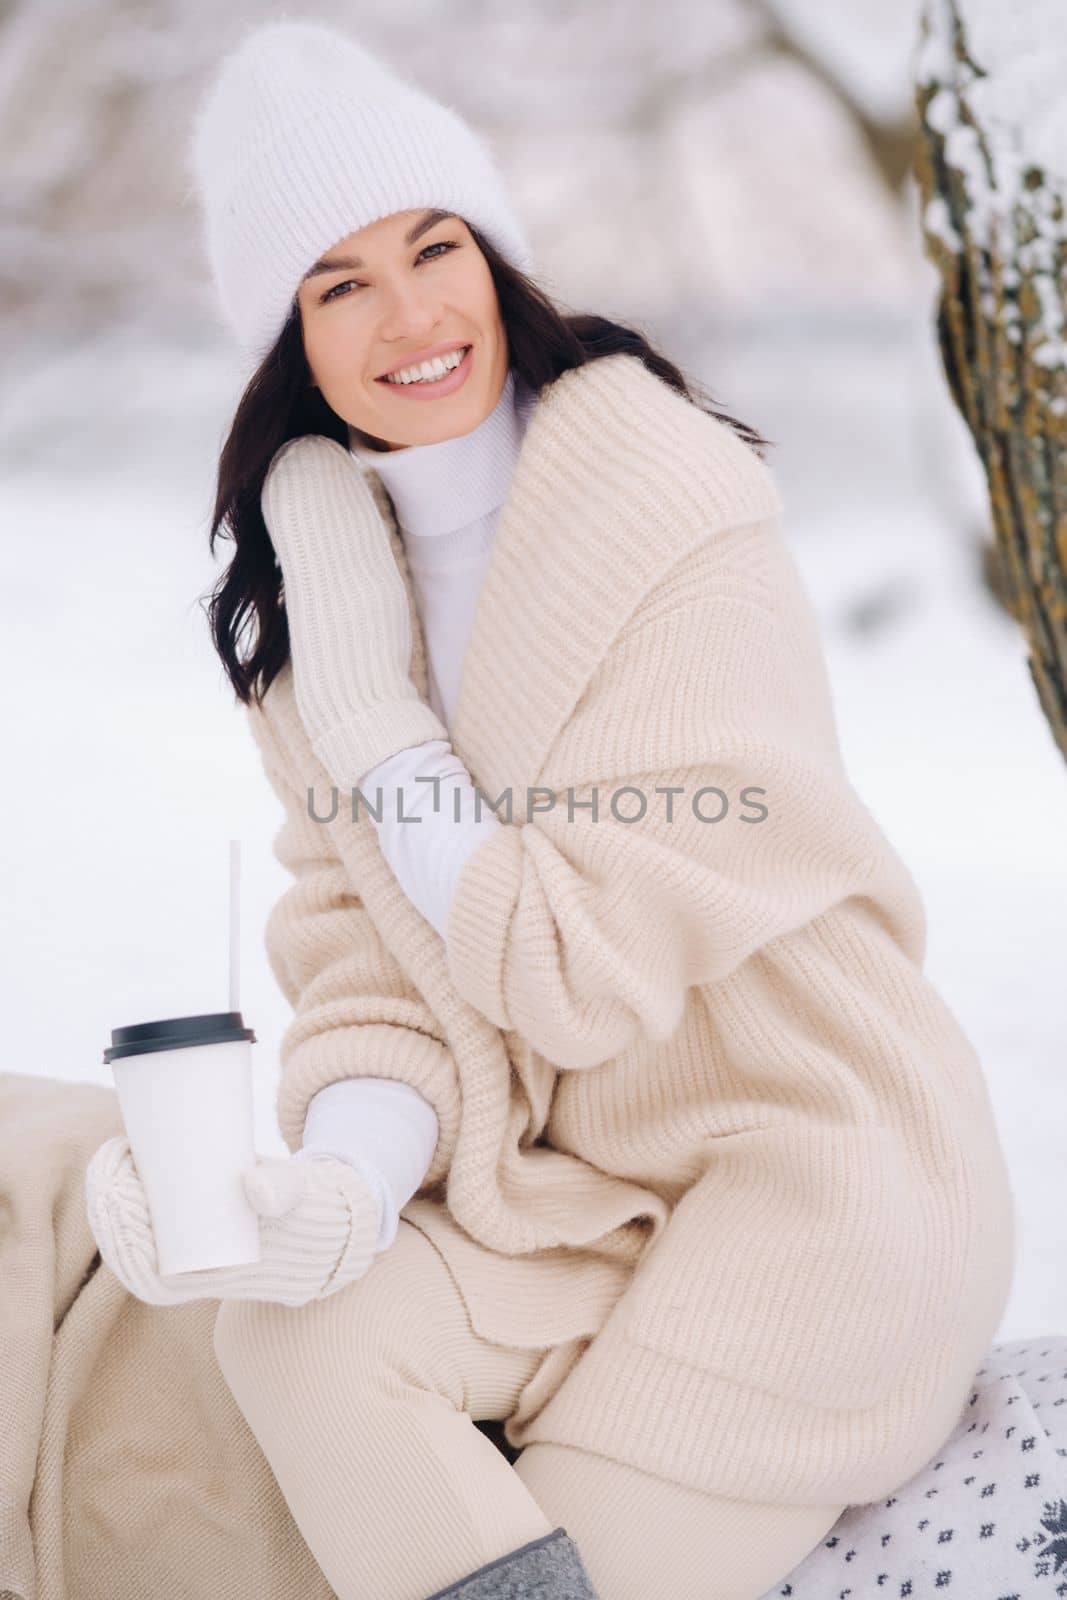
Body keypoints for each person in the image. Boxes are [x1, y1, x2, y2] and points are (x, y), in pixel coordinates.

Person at [84, 19, 1018, 1600]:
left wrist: (386, 727)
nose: (410, 313)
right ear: (286, 345)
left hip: (809, 1174)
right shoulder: (331, 611)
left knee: (585, 1557)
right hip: (572, 1202)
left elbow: (569, 970)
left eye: (433, 247)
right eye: (339, 283)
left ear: (495, 259)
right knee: (293, 1336)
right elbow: (383, 984)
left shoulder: (668, 512)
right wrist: (342, 1187)